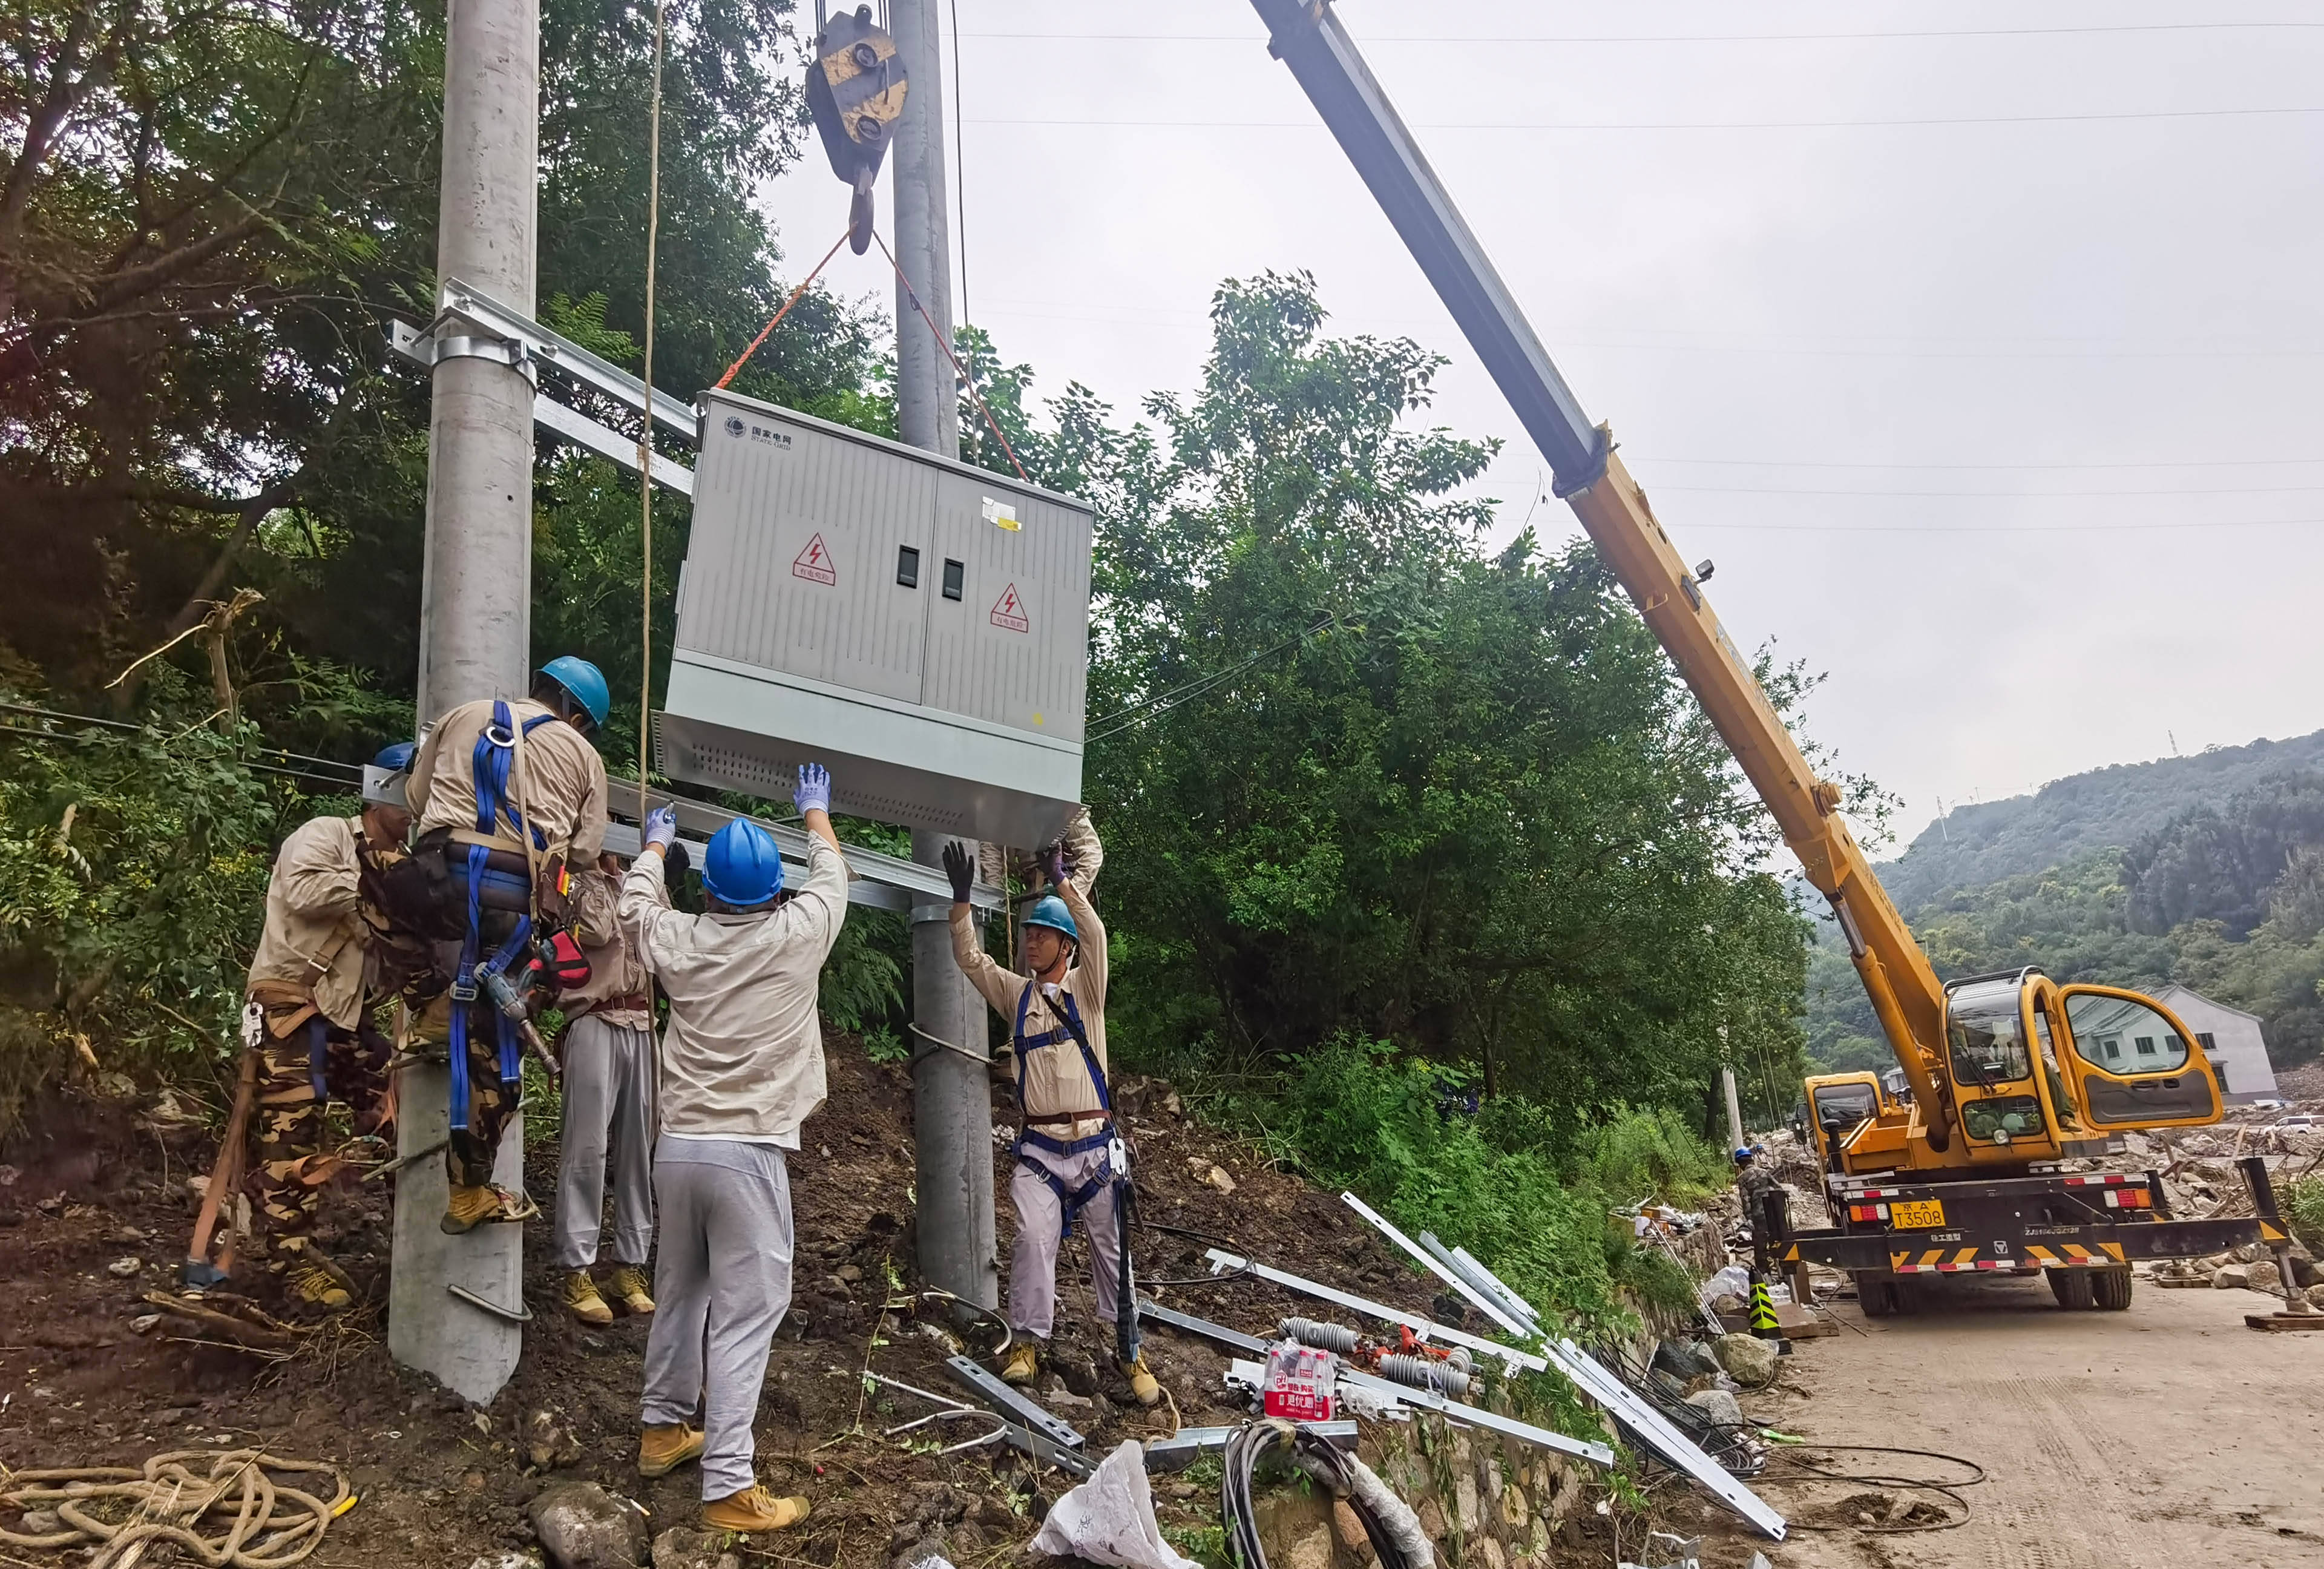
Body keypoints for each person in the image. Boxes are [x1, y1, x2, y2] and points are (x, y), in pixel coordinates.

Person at [621, 768, 847, 1535]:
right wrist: (814, 812)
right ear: (771, 894)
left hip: (678, 1150)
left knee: (681, 1290)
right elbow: (833, 874)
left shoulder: (681, 939)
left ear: (710, 892)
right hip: (747, 1156)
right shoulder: (797, 936)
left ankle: (663, 1430)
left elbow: (636, 907)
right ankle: (726, 1486)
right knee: (749, 1314)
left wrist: (654, 849)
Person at [940, 810, 1160, 1407]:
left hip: (1093, 1150)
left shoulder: (1087, 991)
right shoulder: (1017, 996)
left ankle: (1129, 1351)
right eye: (1029, 934)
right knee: (1033, 1240)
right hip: (1040, 1149)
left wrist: (1064, 885)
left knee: (1113, 1254)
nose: (1030, 940)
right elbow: (971, 962)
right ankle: (1027, 1344)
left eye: (1042, 934)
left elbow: (1099, 936)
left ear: (1064, 945)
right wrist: (962, 904)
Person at [402, 655, 611, 1232]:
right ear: (577, 716)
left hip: (434, 884)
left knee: (433, 953)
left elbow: (418, 801)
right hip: (508, 899)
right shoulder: (582, 754)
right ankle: (468, 1192)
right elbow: (586, 853)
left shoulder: (462, 715)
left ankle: (429, 1006)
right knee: (499, 1041)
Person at [238, 742, 424, 1311]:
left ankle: (417, 1251)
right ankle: (291, 1269)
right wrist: (376, 882)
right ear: (384, 789)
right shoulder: (327, 836)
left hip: (343, 1018)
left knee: (405, 1119)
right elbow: (304, 891)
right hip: (290, 1011)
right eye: (409, 788)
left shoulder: (407, 867)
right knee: (290, 1138)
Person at [554, 853, 658, 1326]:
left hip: (642, 1022)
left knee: (640, 1151)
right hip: (594, 1016)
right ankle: (577, 1269)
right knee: (587, 1149)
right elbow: (591, 930)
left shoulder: (640, 882)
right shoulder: (568, 879)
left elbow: (663, 939)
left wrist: (649, 874)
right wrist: (589, 872)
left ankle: (630, 1266)